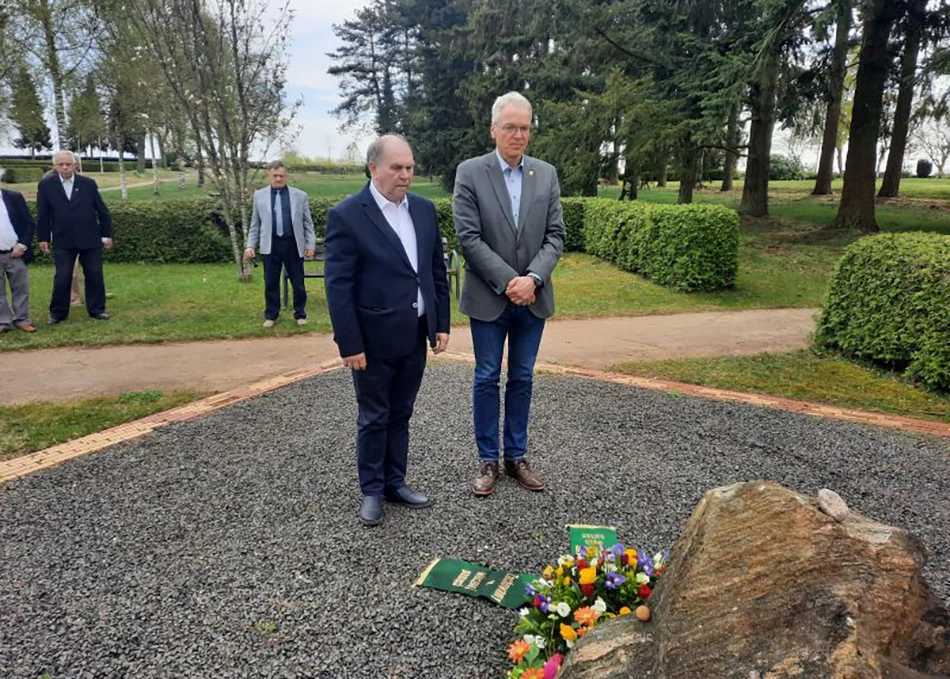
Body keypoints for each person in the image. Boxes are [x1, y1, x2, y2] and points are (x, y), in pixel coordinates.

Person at [324, 134, 450, 527]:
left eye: (410, 167)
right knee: (374, 416)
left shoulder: (424, 210)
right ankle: (372, 490)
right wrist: (350, 342)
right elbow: (338, 286)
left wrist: (440, 323)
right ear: (373, 168)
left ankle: (395, 482)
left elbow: (434, 271)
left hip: (415, 333)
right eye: (397, 167)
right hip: (373, 339)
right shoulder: (348, 215)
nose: (405, 175)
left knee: (402, 413)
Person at [453, 91, 565, 496]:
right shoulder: (470, 172)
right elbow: (469, 238)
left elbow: (555, 235)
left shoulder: (545, 174)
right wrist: (509, 281)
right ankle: (488, 460)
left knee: (522, 377)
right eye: (510, 127)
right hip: (488, 298)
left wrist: (532, 278)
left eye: (525, 128)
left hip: (533, 298)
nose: (518, 135)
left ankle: (516, 457)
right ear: (493, 129)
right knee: (486, 377)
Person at [37, 151, 113, 324]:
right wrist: (43, 237)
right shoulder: (46, 185)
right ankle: (58, 313)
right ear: (55, 166)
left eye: (68, 164)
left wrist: (106, 234)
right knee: (63, 276)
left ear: (75, 166)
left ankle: (97, 310)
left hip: (90, 238)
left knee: (94, 274)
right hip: (63, 239)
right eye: (60, 164)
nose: (64, 167)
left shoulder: (88, 184)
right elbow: (43, 213)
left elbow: (102, 210)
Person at [244, 160, 316, 327]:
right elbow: (255, 223)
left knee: (298, 283)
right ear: (269, 175)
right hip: (270, 245)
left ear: (286, 176)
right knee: (271, 282)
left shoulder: (300, 196)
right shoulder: (259, 196)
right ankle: (271, 315)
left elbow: (308, 223)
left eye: (281, 176)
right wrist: (250, 245)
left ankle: (300, 314)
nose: (278, 179)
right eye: (275, 175)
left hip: (293, 244)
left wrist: (310, 245)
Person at [0, 185, 37, 333]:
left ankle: (22, 320)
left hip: (15, 252)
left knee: (21, 288)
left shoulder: (13, 197)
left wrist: (22, 245)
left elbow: (28, 223)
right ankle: (3, 321)